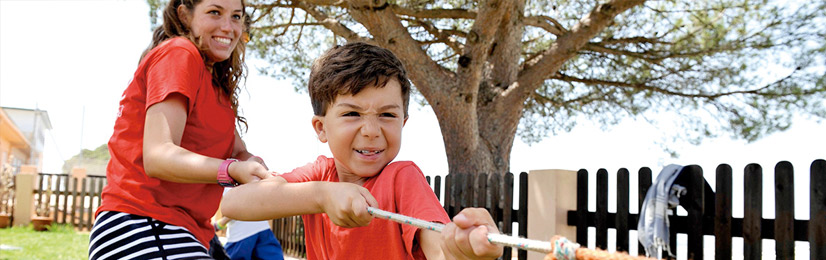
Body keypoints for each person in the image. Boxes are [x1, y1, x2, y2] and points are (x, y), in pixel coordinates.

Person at [222, 42, 504, 259]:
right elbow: (234, 203)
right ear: (321, 128)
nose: (371, 130)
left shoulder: (402, 178)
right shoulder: (320, 175)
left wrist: (460, 253)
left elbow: (439, 248)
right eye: (352, 114)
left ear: (403, 122)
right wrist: (321, 196)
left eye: (387, 115)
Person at [88, 0, 271, 259]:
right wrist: (230, 171)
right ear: (185, 16)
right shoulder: (179, 53)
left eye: (237, 17)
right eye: (215, 12)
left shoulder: (215, 86)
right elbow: (158, 156)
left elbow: (238, 151)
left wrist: (252, 165)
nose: (228, 27)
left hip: (188, 230)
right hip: (141, 222)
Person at [214, 188, 284, 260]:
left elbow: (237, 208)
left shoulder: (227, 183)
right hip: (262, 228)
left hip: (242, 234)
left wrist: (219, 224)